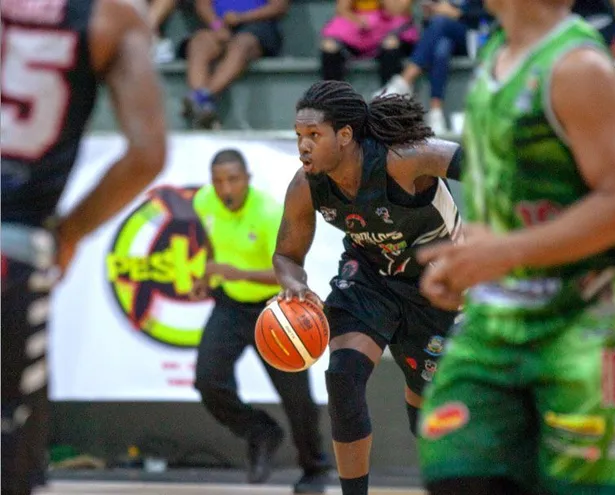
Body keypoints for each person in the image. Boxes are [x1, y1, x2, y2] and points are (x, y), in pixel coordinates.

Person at [414, 1, 615, 493]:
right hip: (498, 318)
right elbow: (511, 200)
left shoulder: (577, 67)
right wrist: (471, 260)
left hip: (586, 319)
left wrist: (505, 253)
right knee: (455, 469)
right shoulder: (497, 52)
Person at [1, 0, 167, 492]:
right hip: (14, 243)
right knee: (13, 446)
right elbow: (147, 153)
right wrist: (69, 232)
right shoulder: (112, 18)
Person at [273, 80, 463, 495]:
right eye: (299, 136)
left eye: (314, 135)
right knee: (343, 377)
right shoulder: (306, 185)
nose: (303, 146)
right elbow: (286, 256)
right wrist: (292, 284)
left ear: (345, 136)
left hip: (438, 286)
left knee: (428, 414)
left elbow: (488, 168)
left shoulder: (404, 160)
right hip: (369, 278)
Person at [190, 149, 330, 493]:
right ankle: (260, 431)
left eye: (233, 179)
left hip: (273, 309)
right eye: (218, 180)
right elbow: (210, 242)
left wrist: (235, 271)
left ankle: (314, 469)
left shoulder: (269, 213)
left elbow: (284, 271)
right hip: (230, 304)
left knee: (297, 399)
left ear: (247, 179)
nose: (225, 188)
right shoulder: (204, 201)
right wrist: (205, 275)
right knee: (208, 382)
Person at [377, 0, 491, 134]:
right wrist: (432, 10)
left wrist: (459, 13)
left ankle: (404, 81)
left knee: (440, 23)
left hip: (472, 34)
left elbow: (490, 13)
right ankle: (436, 114)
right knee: (442, 48)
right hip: (443, 36)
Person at [182, 0, 289, 129]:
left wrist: (241, 17)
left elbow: (278, 7)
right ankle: (202, 106)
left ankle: (203, 97)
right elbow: (202, 4)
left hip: (258, 26)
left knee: (242, 44)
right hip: (219, 26)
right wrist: (217, 26)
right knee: (199, 42)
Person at [320, 0, 419, 88]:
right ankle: (332, 98)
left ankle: (389, 99)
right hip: (357, 29)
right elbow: (342, 9)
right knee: (329, 46)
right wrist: (357, 20)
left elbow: (396, 10)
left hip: (390, 29)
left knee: (390, 44)